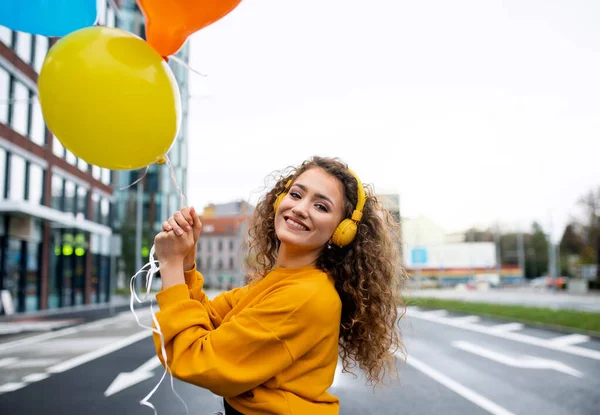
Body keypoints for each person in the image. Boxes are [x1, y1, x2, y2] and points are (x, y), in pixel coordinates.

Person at [153, 156, 406, 415]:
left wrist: (170, 264)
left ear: (343, 230)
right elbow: (206, 318)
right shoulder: (283, 281)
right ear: (278, 200)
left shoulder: (305, 296)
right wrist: (184, 264)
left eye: (321, 206)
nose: (300, 208)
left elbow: (194, 358)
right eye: (296, 194)